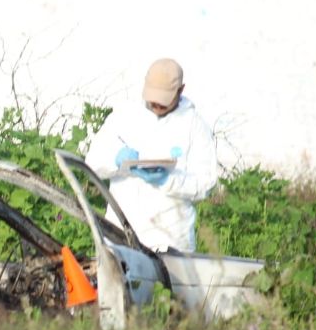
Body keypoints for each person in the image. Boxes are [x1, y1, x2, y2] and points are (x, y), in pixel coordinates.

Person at [85, 58, 218, 252]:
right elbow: (93, 162)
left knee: (165, 283)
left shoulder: (194, 126)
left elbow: (205, 183)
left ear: (180, 90)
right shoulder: (123, 117)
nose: (156, 104)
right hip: (120, 235)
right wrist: (116, 160)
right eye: (153, 97)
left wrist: (168, 180)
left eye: (163, 99)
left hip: (171, 242)